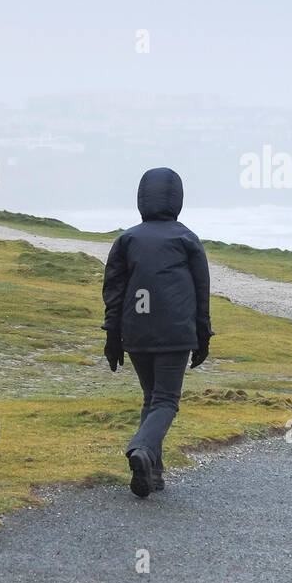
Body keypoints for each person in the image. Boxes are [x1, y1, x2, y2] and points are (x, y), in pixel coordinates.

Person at [101, 167, 213, 498]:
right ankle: (141, 448)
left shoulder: (127, 239)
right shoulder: (187, 239)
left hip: (136, 332)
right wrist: (203, 335)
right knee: (166, 400)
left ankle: (153, 474)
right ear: (177, 198)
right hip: (175, 332)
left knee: (151, 398)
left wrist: (112, 335)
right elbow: (201, 291)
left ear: (141, 198)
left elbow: (114, 290)